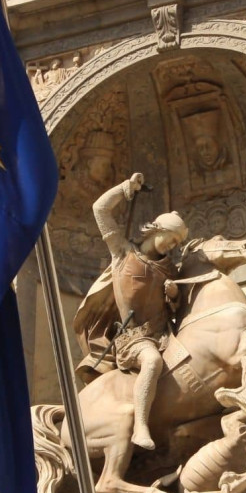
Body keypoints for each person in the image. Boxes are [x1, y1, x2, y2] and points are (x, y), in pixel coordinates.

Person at [91, 173, 188, 450]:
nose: (172, 246)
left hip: (164, 335)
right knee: (152, 362)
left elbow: (176, 309)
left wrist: (173, 295)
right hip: (134, 339)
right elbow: (99, 209)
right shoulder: (123, 252)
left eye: (176, 244)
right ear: (156, 230)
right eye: (170, 239)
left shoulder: (170, 269)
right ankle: (140, 427)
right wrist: (125, 188)